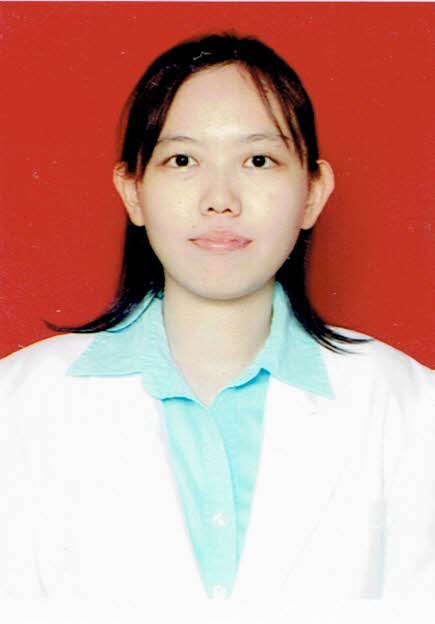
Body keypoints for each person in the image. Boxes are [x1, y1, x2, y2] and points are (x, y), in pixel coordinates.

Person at [0, 31, 434, 614]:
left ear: (313, 192)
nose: (220, 199)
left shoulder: (410, 410)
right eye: (182, 160)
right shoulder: (16, 405)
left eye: (258, 160)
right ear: (133, 191)